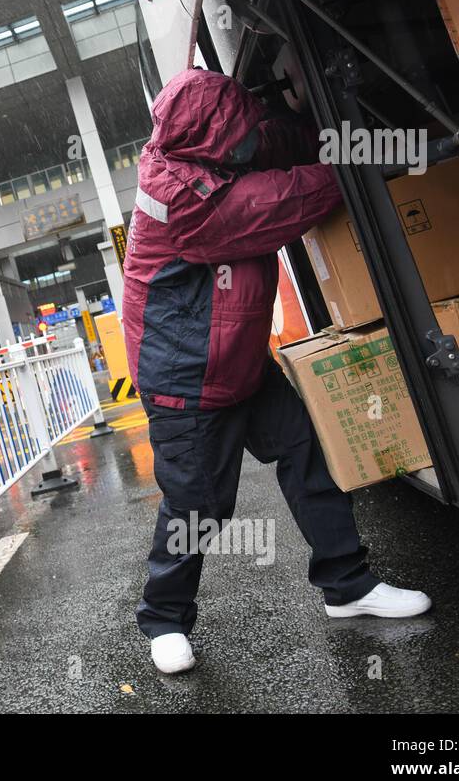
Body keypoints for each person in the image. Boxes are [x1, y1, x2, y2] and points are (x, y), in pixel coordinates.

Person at [121, 69, 430, 675]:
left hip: (236, 356)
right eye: (239, 132)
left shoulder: (208, 146)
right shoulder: (183, 200)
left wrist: (352, 135)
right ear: (212, 137)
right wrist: (357, 164)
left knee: (307, 452)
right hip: (188, 379)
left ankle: (347, 585)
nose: (249, 141)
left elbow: (275, 143)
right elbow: (284, 198)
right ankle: (163, 620)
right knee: (198, 508)